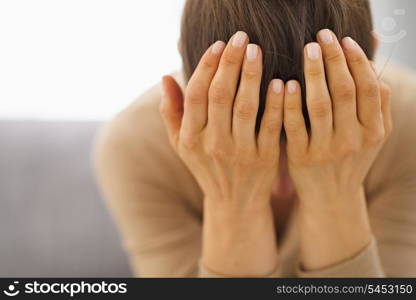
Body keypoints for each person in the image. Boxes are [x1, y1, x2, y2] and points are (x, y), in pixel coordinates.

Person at [94, 0, 416, 277]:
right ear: (184, 66)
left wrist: (334, 197)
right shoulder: (135, 148)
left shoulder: (409, 126)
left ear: (370, 64)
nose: (280, 186)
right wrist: (234, 205)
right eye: (239, 140)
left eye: (320, 140)